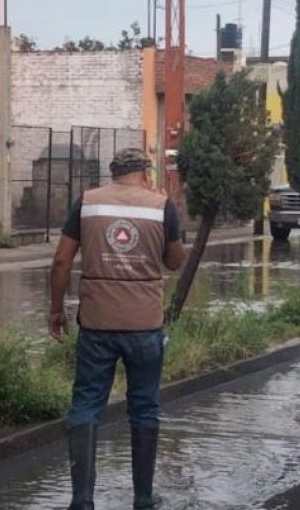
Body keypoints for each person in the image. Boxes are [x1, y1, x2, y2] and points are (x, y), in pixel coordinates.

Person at [49, 148, 187, 510]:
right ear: (144, 172)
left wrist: (56, 310)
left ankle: (82, 501)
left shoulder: (88, 202)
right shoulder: (161, 205)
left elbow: (62, 259)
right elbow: (175, 262)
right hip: (145, 325)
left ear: (114, 173)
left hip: (97, 323)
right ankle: (142, 498)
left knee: (86, 405)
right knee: (144, 408)